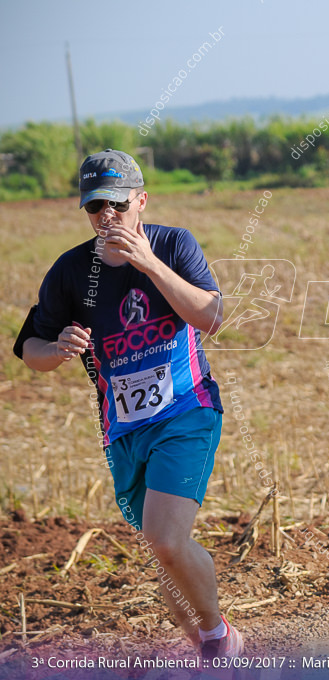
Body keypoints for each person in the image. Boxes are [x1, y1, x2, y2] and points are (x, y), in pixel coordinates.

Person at [13, 149, 242, 660]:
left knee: (164, 540)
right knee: (169, 569)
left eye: (117, 203)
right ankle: (214, 641)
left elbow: (211, 316)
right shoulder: (71, 270)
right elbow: (30, 349)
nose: (107, 216)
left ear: (141, 200)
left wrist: (148, 262)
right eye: (96, 207)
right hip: (122, 431)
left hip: (187, 410)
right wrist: (56, 349)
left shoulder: (173, 244)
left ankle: (218, 644)